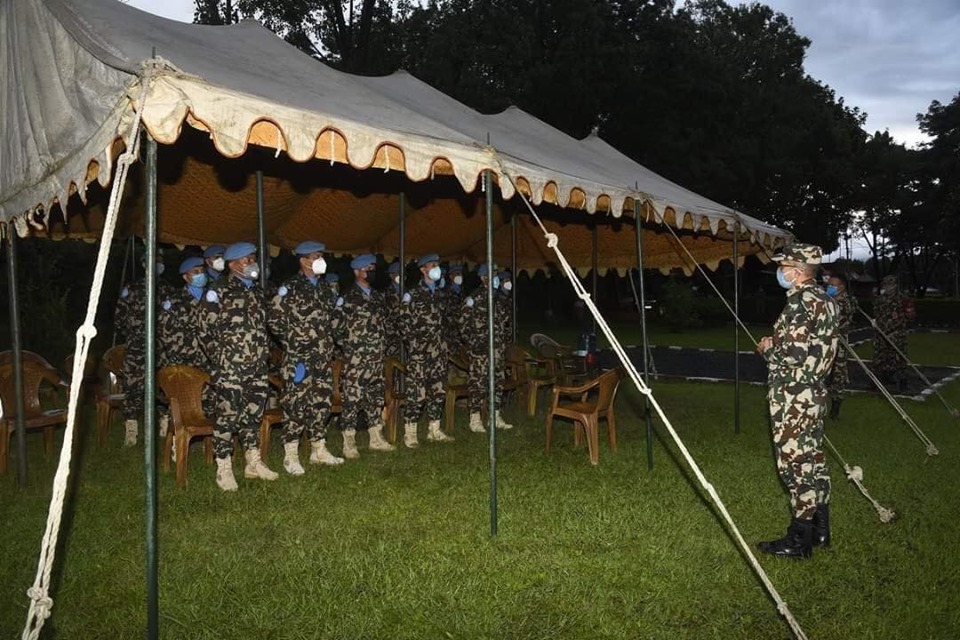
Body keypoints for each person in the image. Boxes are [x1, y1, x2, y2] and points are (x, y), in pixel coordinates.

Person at [756, 243, 838, 558]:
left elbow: (793, 354)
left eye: (783, 266)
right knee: (814, 459)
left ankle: (798, 540)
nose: (780, 271)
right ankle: (820, 530)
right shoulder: (826, 300)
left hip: (794, 395)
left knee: (795, 464)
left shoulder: (800, 302)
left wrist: (768, 349)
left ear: (797, 270)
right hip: (815, 391)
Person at [199, 241, 278, 491]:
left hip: (257, 367)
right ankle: (223, 466)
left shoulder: (257, 292)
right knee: (227, 416)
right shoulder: (218, 291)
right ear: (233, 264)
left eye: (253, 258)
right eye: (247, 259)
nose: (252, 263)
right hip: (230, 368)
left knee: (253, 414)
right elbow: (204, 330)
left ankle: (253, 462)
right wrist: (222, 359)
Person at [268, 241, 344, 475]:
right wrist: (295, 342)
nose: (320, 260)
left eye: (321, 256)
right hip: (299, 359)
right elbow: (274, 320)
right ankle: (290, 455)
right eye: (315, 256)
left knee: (321, 402)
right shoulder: (289, 288)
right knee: (296, 404)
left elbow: (333, 321)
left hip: (321, 357)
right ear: (303, 261)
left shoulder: (326, 289)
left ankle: (318, 449)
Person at [334, 254, 396, 458]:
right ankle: (349, 441)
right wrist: (352, 347)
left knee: (375, 398)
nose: (372, 271)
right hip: (356, 359)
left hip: (376, 358)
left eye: (372, 268)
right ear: (357, 271)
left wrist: (382, 346)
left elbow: (386, 324)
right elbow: (336, 327)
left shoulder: (378, 297)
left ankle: (376, 438)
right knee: (352, 399)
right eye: (368, 268)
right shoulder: (347, 297)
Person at [113, 248, 175, 447]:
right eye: (153, 259)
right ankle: (131, 430)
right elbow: (119, 319)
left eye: (160, 259)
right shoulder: (131, 289)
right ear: (144, 264)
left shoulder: (168, 290)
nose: (158, 263)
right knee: (133, 388)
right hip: (137, 348)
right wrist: (135, 333)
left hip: (162, 347)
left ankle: (164, 424)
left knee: (164, 386)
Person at [400, 253, 455, 446]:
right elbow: (404, 323)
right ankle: (410, 432)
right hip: (420, 353)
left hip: (439, 352)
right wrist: (416, 346)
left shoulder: (441, 294)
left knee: (438, 391)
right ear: (423, 269)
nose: (436, 268)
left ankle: (434, 429)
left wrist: (446, 344)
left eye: (437, 264)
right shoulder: (413, 294)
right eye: (432, 265)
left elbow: (447, 322)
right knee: (417, 393)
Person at [460, 264, 513, 432]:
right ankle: (475, 418)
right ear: (483, 278)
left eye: (496, 274)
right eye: (492, 274)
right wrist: (475, 343)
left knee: (497, 382)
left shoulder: (498, 298)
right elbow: (463, 323)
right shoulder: (474, 298)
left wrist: (503, 341)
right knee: (478, 384)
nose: (495, 277)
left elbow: (505, 322)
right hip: (480, 350)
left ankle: (494, 416)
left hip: (497, 348)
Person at [825, 273, 858, 419]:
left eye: (833, 285)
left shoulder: (845, 303)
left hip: (839, 345)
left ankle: (835, 408)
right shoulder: (830, 300)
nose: (829, 287)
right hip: (826, 344)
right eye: (829, 284)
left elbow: (835, 321)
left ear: (842, 287)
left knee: (837, 377)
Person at [872, 274, 910, 392]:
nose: (887, 287)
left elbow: (909, 316)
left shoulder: (902, 299)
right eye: (885, 284)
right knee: (880, 357)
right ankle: (879, 380)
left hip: (896, 333)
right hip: (881, 333)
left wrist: (897, 325)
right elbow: (876, 314)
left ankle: (902, 381)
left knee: (898, 358)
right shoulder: (880, 300)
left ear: (895, 285)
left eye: (890, 284)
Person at [384, 261, 404, 361]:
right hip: (392, 337)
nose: (402, 275)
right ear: (391, 275)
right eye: (398, 273)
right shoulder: (385, 294)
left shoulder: (409, 292)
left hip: (406, 337)